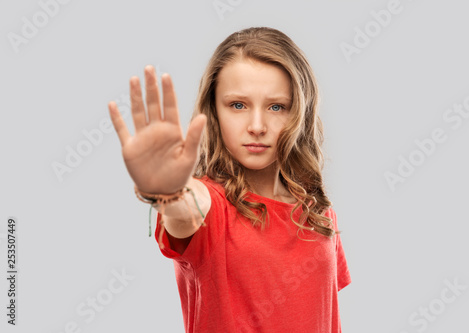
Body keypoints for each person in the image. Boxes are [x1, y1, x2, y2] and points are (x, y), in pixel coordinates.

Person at [108, 26, 351, 333]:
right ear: (214, 111)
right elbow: (186, 208)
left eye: (277, 107)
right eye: (238, 105)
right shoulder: (211, 207)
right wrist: (167, 192)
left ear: (299, 112)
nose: (257, 126)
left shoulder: (318, 213)